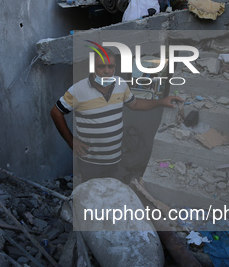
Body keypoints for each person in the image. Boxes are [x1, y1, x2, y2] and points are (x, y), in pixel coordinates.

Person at [50, 52, 182, 183]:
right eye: (101, 66)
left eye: (111, 66)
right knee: (93, 195)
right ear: (92, 68)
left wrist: (160, 102)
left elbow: (135, 104)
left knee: (112, 192)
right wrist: (71, 140)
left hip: (115, 159)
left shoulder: (121, 85)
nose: (107, 71)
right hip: (91, 162)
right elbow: (56, 112)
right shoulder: (78, 90)